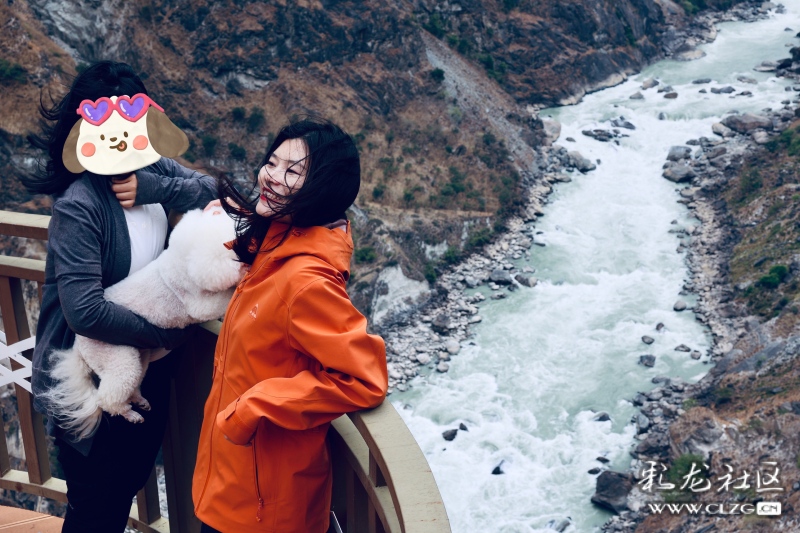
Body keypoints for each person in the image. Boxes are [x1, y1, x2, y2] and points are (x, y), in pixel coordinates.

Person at [23, 61, 217, 532]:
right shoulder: (80, 205)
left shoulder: (149, 167)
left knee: (122, 490)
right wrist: (165, 337)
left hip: (146, 370)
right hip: (88, 375)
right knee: (95, 508)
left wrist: (154, 187)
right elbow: (85, 311)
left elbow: (214, 190)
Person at [192, 117, 388, 533]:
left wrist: (256, 405)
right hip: (234, 478)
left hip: (265, 505)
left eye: (293, 172)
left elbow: (365, 378)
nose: (272, 177)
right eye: (272, 162)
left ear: (322, 189)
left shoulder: (305, 282)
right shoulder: (274, 245)